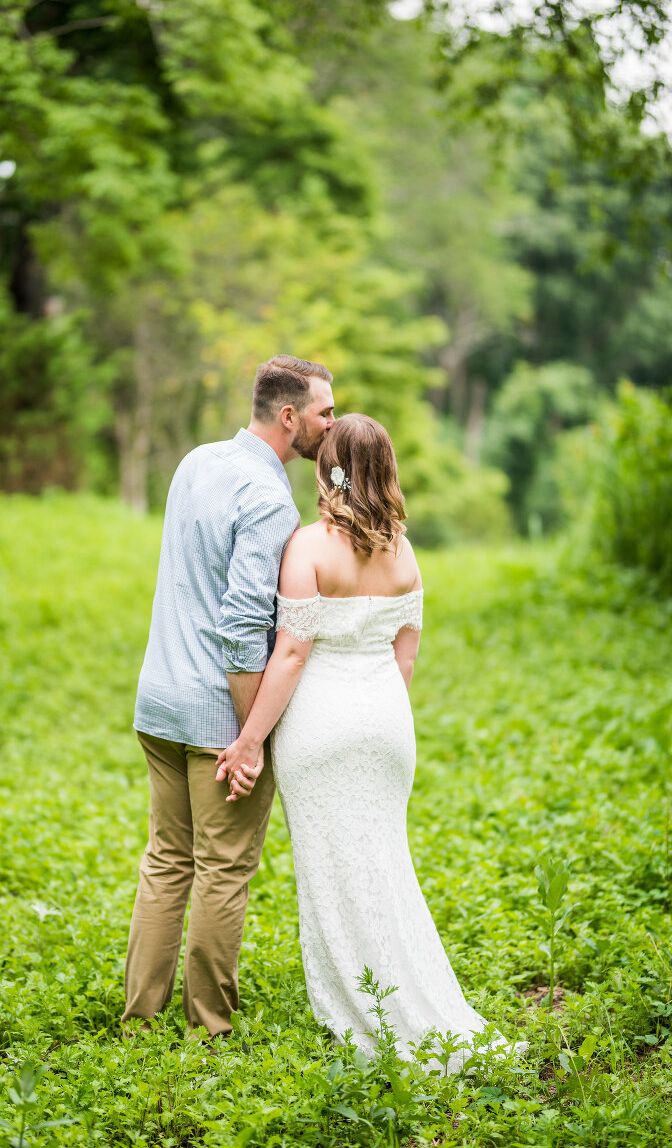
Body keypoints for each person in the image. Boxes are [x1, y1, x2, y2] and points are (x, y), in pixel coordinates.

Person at [217, 414, 522, 1068]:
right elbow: (403, 662)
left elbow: (292, 654)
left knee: (334, 871)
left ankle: (363, 1007)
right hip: (387, 724)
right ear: (385, 469)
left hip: (321, 727)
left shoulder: (308, 547)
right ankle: (411, 997)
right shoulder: (405, 553)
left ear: (329, 469)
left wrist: (248, 742)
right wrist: (376, 713)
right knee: (385, 864)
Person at [122, 354, 335, 1038]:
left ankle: (141, 1022)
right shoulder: (271, 499)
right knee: (224, 869)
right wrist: (251, 740)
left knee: (167, 861)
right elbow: (244, 626)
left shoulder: (197, 462)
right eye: (324, 413)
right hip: (217, 716)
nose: (330, 425)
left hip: (158, 700)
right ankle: (209, 1028)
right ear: (289, 416)